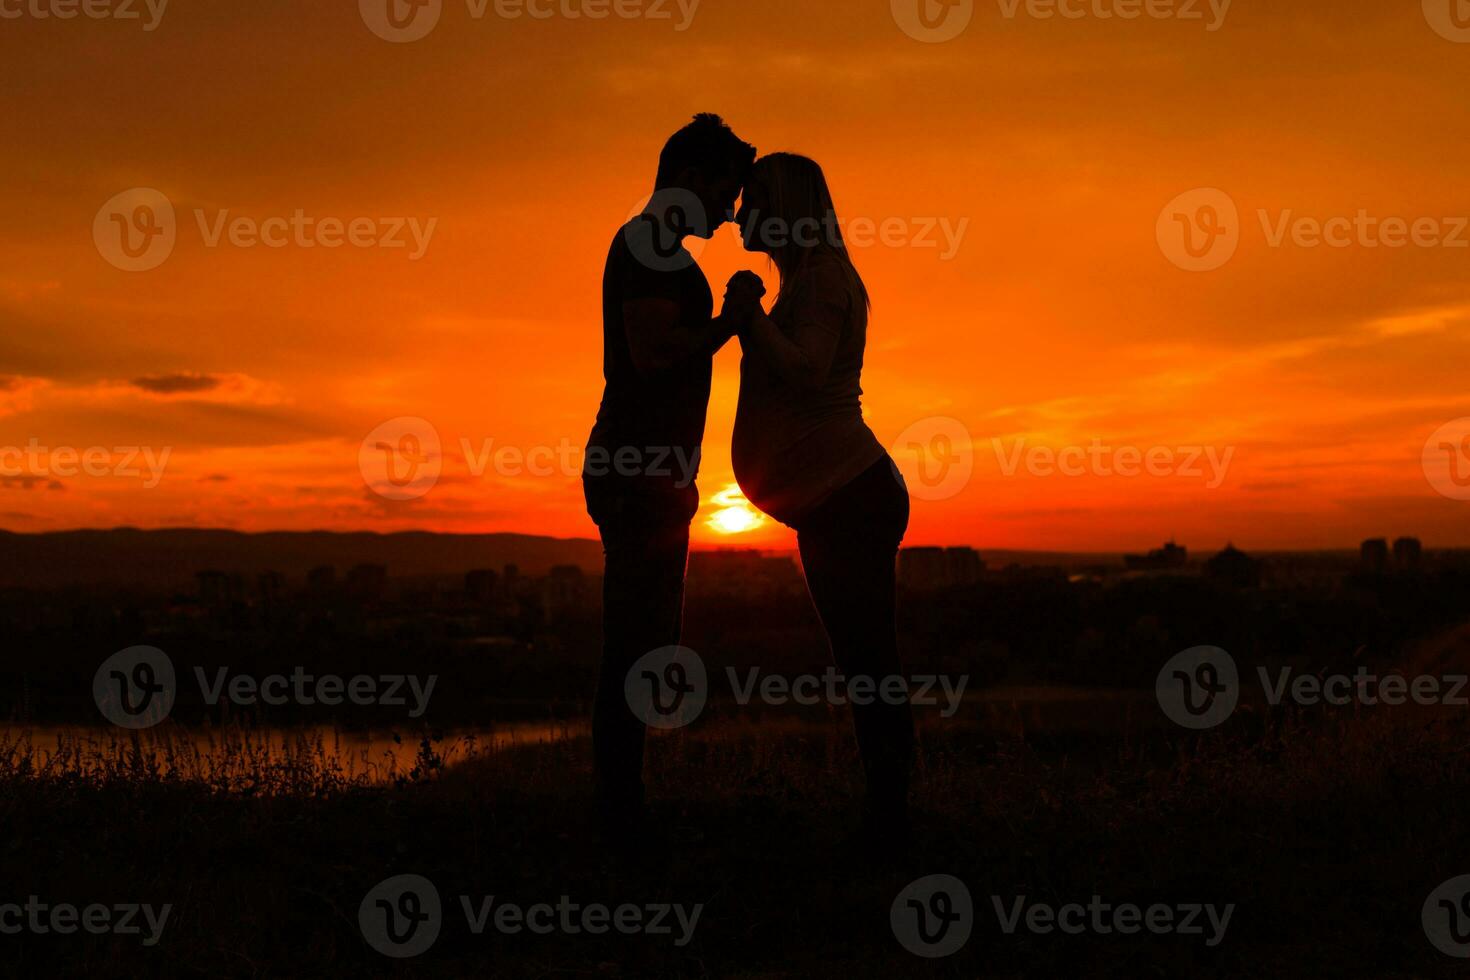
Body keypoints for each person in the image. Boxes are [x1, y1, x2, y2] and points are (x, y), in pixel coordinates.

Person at [725, 152, 915, 837]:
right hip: (834, 498)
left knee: (868, 658)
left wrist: (748, 318)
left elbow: (806, 373)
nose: (743, 214)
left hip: (849, 495)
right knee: (862, 657)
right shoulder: (804, 283)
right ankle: (888, 808)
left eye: (757, 202)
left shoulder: (822, 280)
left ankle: (891, 816)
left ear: (788, 209)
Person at [583, 113, 757, 843]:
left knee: (646, 641)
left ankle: (623, 805)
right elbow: (654, 353)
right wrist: (734, 320)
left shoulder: (658, 249)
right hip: (636, 475)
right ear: (690, 180)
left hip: (653, 476)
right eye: (727, 190)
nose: (732, 209)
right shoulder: (650, 245)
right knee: (633, 644)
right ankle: (618, 816)